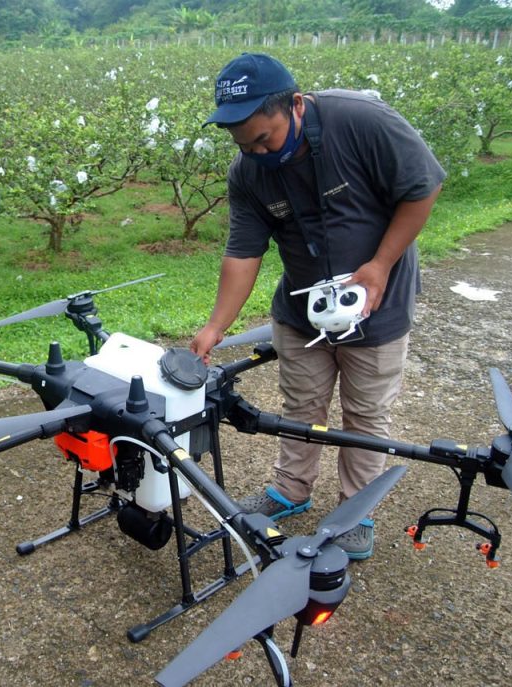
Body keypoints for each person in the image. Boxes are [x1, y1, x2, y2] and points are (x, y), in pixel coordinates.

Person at [190, 53, 445, 560]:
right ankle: (289, 490)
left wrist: (380, 264)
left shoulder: (362, 121)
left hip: (378, 303)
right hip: (302, 309)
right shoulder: (249, 172)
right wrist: (216, 326)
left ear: (297, 105)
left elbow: (423, 187)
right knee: (301, 405)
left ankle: (355, 512)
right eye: (245, 144)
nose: (257, 151)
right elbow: (244, 251)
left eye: (266, 138)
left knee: (365, 416)